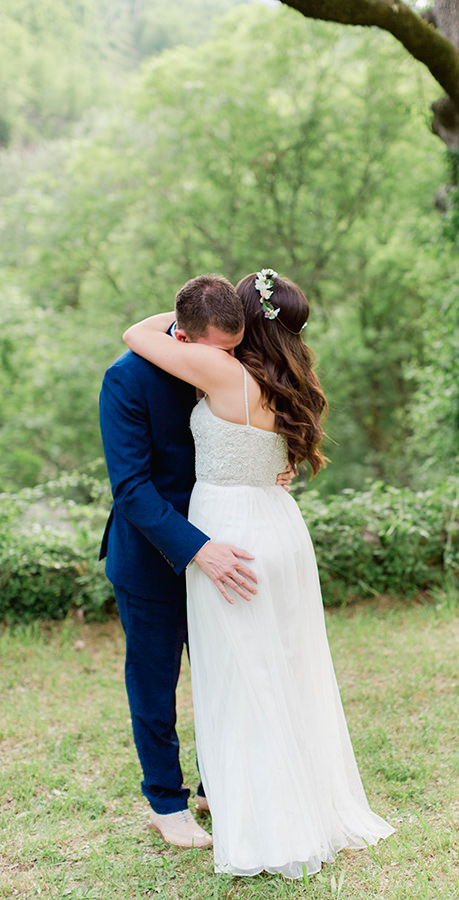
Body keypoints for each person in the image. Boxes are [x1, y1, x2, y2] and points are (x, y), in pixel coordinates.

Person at [123, 268, 394, 878]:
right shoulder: (290, 379)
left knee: (236, 675)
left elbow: (136, 332)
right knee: (281, 666)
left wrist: (190, 320)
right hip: (277, 524)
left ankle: (266, 812)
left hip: (231, 533)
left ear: (242, 324)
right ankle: (284, 791)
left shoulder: (222, 370)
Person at [99, 275, 291, 849]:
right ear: (181, 333)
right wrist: (197, 549)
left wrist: (271, 468)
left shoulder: (229, 362)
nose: (228, 362)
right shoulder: (126, 378)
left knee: (226, 670)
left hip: (229, 546)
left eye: (233, 349)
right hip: (157, 557)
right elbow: (131, 489)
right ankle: (165, 801)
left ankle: (216, 784)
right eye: (219, 350)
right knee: (156, 684)